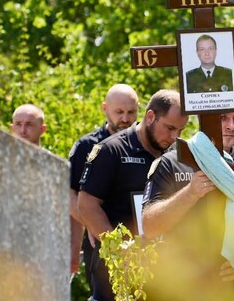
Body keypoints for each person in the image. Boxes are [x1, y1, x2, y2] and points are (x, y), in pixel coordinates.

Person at [142, 111, 234, 301]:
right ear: (202, 119)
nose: (231, 126)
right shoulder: (172, 162)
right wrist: (190, 193)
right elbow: (150, 226)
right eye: (223, 118)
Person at [78, 89, 189, 301]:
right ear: (150, 116)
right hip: (116, 279)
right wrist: (120, 251)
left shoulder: (177, 156)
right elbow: (87, 205)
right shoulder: (111, 150)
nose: (175, 136)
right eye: (169, 128)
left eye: (181, 130)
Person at [68, 84, 139, 284]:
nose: (125, 118)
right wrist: (92, 223)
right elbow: (69, 194)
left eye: (131, 112)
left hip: (141, 241)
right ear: (105, 109)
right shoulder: (86, 146)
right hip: (99, 244)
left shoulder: (145, 142)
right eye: (119, 112)